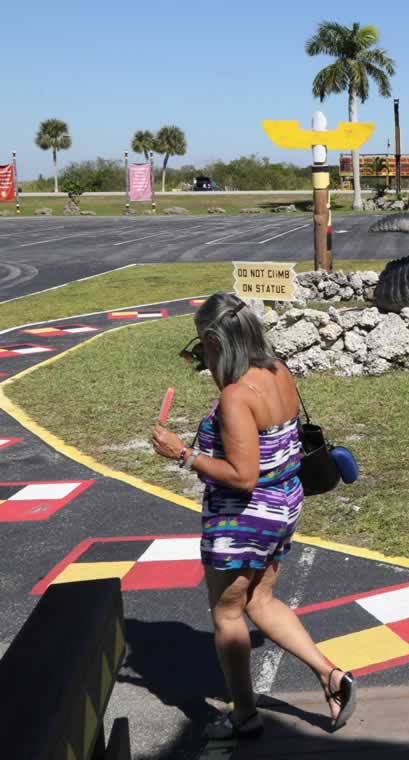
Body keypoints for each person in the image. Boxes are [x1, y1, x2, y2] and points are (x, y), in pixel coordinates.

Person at [151, 293, 355, 739]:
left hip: (244, 516)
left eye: (201, 346)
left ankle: (244, 714)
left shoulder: (236, 396)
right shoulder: (278, 369)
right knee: (261, 601)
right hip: (284, 502)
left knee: (227, 614)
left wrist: (181, 454)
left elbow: (242, 476)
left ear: (213, 339)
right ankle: (332, 676)